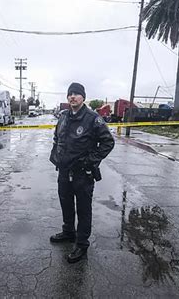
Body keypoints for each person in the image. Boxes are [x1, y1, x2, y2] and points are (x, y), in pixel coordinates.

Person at [49, 82, 115, 263]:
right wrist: (57, 156)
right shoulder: (63, 117)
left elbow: (108, 142)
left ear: (83, 98)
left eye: (76, 94)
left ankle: (82, 243)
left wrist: (90, 161)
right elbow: (57, 138)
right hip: (64, 171)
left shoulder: (93, 118)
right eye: (70, 94)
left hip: (82, 173)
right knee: (66, 203)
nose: (72, 97)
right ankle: (68, 232)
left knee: (84, 209)